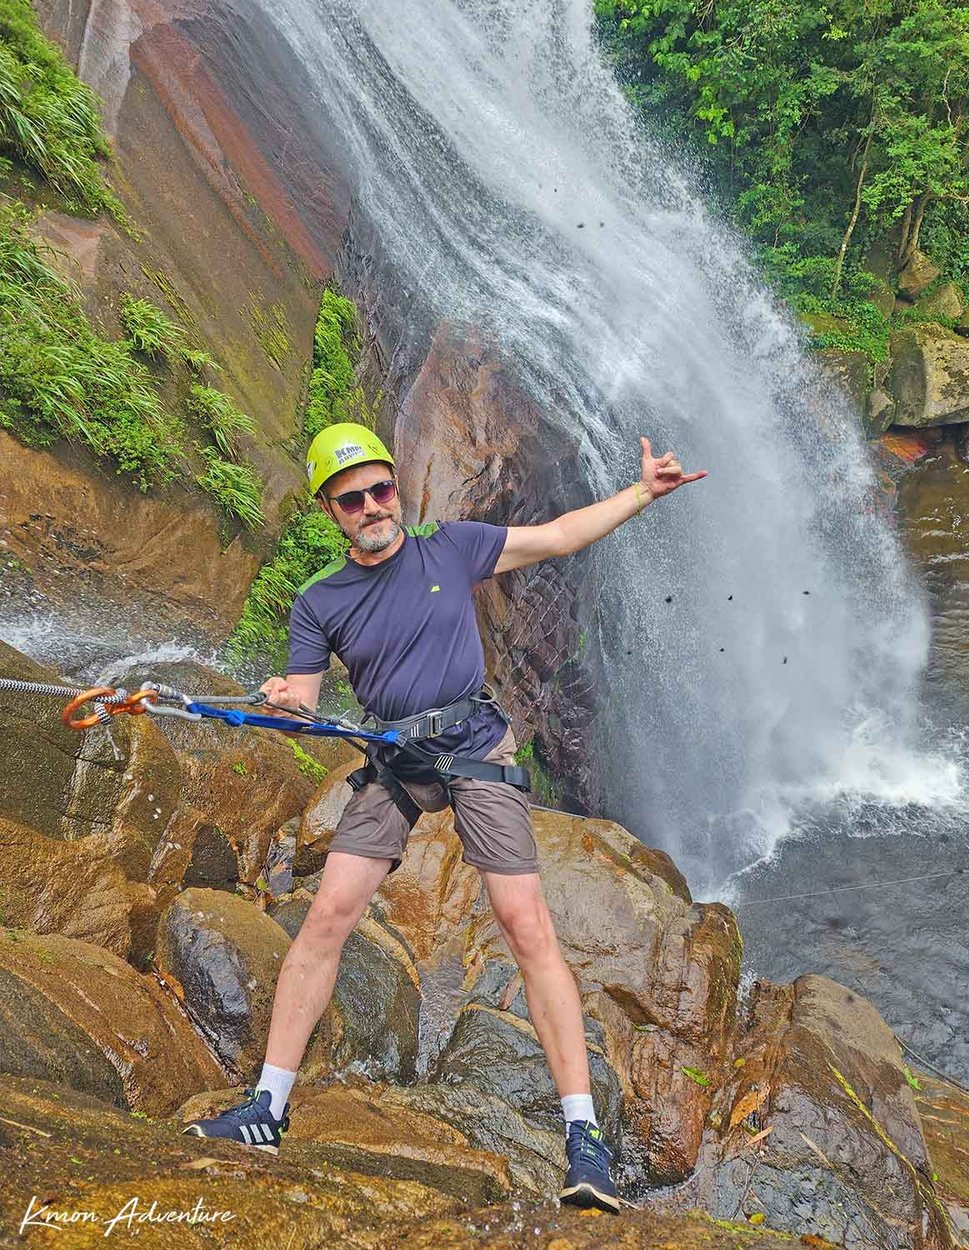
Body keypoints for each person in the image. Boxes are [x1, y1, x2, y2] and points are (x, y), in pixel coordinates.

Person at [182, 421, 706, 1212]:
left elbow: (560, 536)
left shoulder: (449, 548)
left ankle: (583, 1140)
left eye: (380, 489)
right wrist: (282, 702)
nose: (371, 506)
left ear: (397, 488)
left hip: (472, 751)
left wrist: (641, 494)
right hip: (394, 761)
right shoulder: (320, 601)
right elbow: (304, 702)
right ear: (331, 510)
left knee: (524, 922)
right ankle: (268, 1108)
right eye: (352, 498)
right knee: (325, 917)